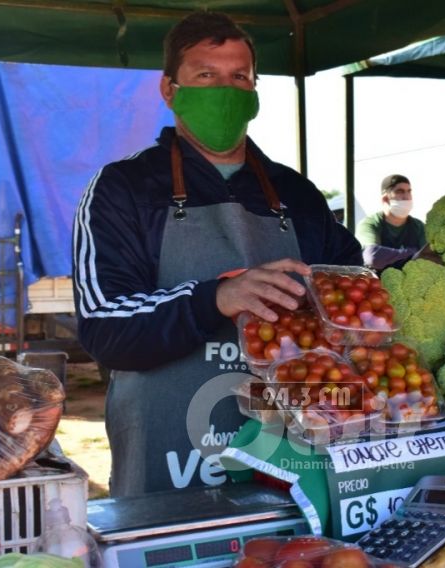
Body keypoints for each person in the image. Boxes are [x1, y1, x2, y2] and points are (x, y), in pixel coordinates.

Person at [72, 11, 362, 497]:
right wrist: (216, 298)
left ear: (255, 92)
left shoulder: (298, 194)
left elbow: (352, 308)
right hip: (170, 473)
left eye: (239, 77)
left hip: (290, 467)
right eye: (206, 75)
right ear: (170, 90)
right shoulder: (124, 188)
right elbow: (105, 327)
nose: (225, 90)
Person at [355, 174, 427, 271]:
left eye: (409, 191)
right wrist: (414, 253)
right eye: (400, 191)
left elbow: (430, 258)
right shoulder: (369, 224)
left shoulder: (419, 226)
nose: (407, 197)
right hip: (376, 279)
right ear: (385, 199)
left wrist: (389, 255)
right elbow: (373, 257)